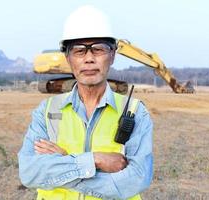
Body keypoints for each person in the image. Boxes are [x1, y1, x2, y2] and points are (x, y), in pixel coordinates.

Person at [18, 5, 153, 200]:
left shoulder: (135, 112)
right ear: (68, 58)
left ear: (113, 55)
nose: (89, 58)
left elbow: (135, 180)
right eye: (79, 51)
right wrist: (94, 160)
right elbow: (30, 173)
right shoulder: (47, 111)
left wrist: (63, 163)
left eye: (98, 49)